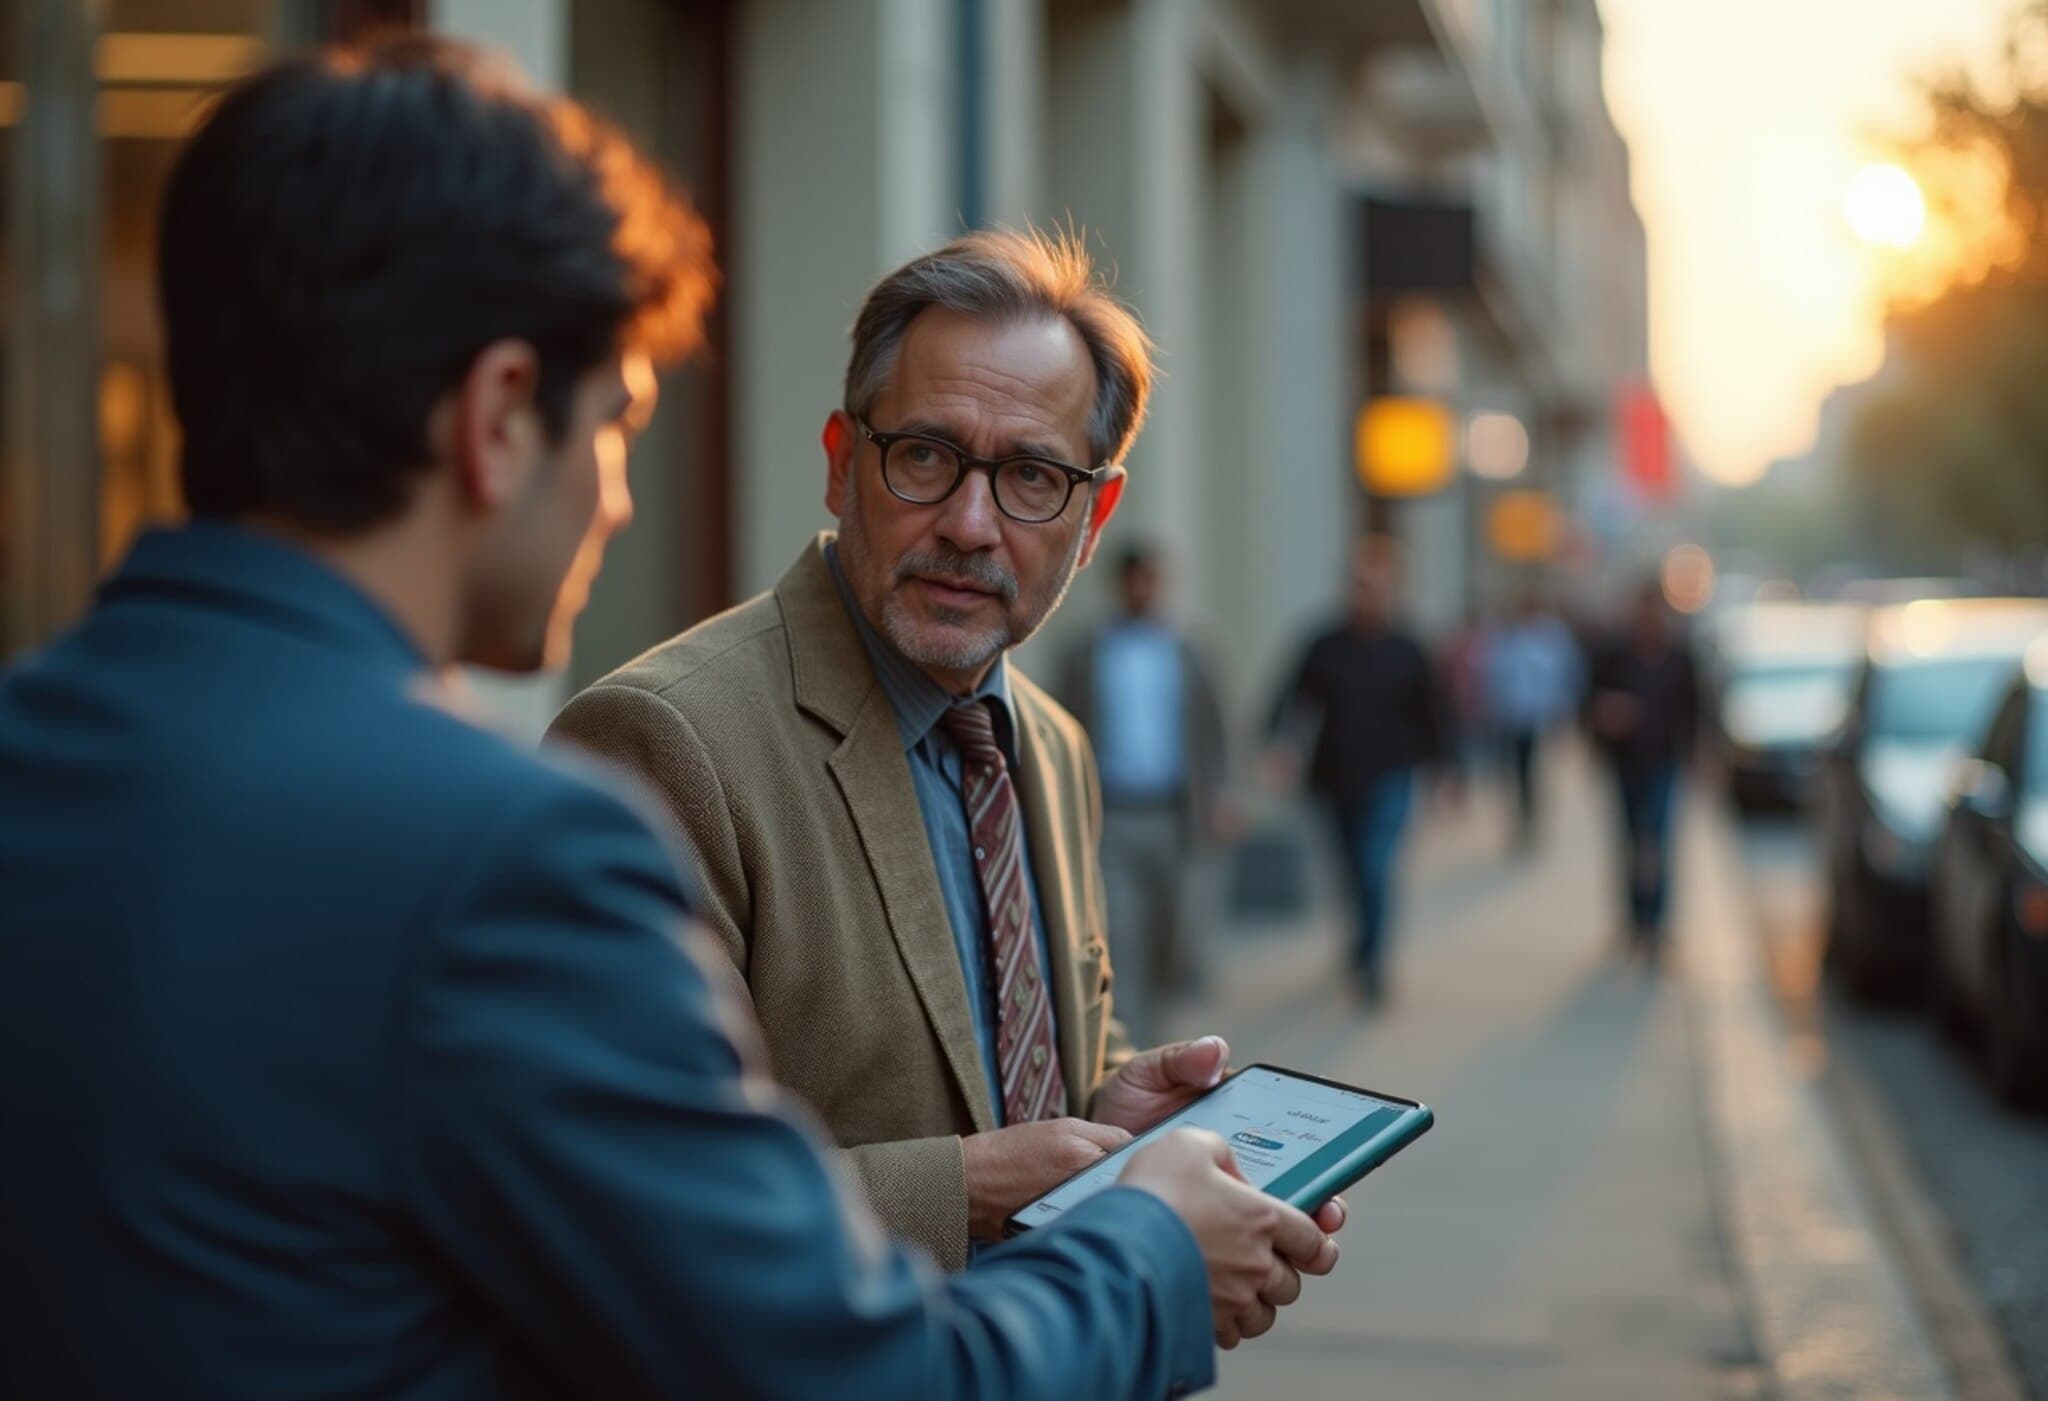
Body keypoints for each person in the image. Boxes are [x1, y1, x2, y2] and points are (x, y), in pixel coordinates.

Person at [0, 42, 1342, 1398]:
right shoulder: (518, 856)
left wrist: (1089, 1137)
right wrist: (1152, 1244)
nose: (620, 500)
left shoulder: (44, 754)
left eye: (1034, 477)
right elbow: (849, 1370)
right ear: (499, 421)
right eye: (620, 422)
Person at [550, 229, 1256, 1271]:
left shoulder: (1050, 744)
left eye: (1029, 476)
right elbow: (599, 1186)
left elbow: (986, 1056)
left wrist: (1107, 1106)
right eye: (925, 456)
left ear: (1093, 516)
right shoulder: (665, 741)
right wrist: (959, 1189)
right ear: (842, 465)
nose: (970, 524)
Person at [1055, 545, 1232, 1043]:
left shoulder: (1189, 650)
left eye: (1154, 580)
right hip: (1112, 813)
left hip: (1175, 813)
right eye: (1137, 580)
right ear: (1122, 584)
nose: (1145, 590)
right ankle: (1132, 1041)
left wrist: (1221, 794)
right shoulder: (1086, 651)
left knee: (1170, 931)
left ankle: (1158, 1020)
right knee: (1121, 932)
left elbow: (1214, 728)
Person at [1267, 539, 1452, 1008]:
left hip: (1392, 775)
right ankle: (1359, 944)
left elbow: (1434, 714)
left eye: (1377, 588)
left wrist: (1446, 774)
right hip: (1334, 778)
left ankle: (1372, 965)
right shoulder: (1325, 644)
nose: (1368, 596)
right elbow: (1290, 698)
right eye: (1361, 586)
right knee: (1350, 871)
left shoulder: (1408, 648)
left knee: (1375, 867)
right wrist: (1279, 747)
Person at [1586, 582, 1701, 960]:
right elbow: (1589, 703)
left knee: (1660, 840)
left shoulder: (1678, 656)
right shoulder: (1615, 655)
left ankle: (1656, 922)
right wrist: (1605, 720)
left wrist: (1699, 755)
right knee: (1632, 841)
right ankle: (1635, 919)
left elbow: (1695, 707)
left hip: (1664, 760)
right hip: (1625, 762)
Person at [1482, 593, 1582, 849]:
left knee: (1532, 770)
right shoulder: (1507, 636)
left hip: (1538, 716)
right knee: (1513, 771)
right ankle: (1519, 817)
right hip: (1510, 716)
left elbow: (1565, 675)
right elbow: (1495, 674)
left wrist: (1562, 711)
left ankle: (1531, 817)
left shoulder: (1552, 637)